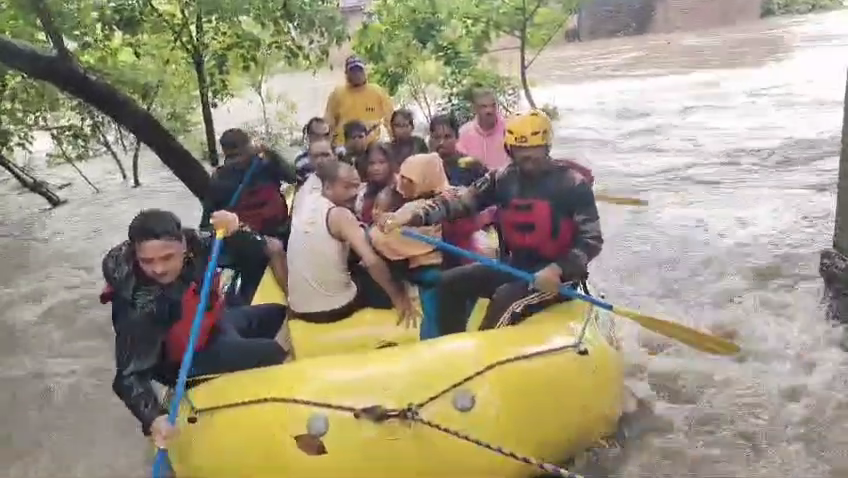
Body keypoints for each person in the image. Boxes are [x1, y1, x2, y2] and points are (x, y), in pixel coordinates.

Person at [377, 110, 603, 335]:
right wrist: (412, 216)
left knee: (505, 297)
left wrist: (559, 269)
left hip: (557, 277)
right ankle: (449, 346)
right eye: (520, 149)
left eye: (535, 148)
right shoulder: (503, 178)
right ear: (510, 149)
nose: (528, 155)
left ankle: (484, 349)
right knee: (447, 283)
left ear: (547, 147)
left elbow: (591, 240)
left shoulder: (572, 184)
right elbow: (460, 204)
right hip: (515, 266)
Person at [100, 209, 287, 448]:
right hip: (181, 361)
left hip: (210, 327)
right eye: (147, 261)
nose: (158, 269)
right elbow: (128, 376)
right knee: (270, 351)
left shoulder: (197, 244)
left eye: (167, 257)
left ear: (184, 246)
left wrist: (237, 230)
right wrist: (153, 418)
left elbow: (255, 253)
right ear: (136, 256)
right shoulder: (140, 307)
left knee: (276, 314)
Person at [286, 161, 417, 325]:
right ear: (327, 187)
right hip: (334, 310)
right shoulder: (340, 215)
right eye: (347, 187)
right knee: (385, 270)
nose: (354, 193)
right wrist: (398, 297)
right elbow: (371, 261)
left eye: (356, 186)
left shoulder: (304, 200)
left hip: (299, 308)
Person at [200, 128, 293, 303]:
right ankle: (292, 299)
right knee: (274, 248)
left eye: (241, 155)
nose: (237, 161)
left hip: (280, 226)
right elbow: (207, 223)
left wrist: (271, 153)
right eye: (232, 157)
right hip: (245, 235)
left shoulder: (265, 166)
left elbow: (293, 177)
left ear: (250, 148)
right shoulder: (220, 179)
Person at [370, 153, 447, 277]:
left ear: (425, 179)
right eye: (403, 176)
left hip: (423, 270)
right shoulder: (442, 200)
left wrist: (372, 232)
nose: (403, 182)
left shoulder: (421, 208)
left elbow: (384, 239)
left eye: (410, 179)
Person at [429, 114, 491, 267]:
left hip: (468, 238)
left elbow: (489, 200)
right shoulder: (424, 167)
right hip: (433, 239)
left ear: (457, 137)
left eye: (447, 136)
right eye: (436, 137)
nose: (441, 142)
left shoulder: (471, 165)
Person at [324, 55, 393, 148]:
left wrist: (394, 142)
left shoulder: (377, 92)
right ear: (346, 73)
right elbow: (329, 123)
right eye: (353, 71)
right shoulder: (337, 94)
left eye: (359, 70)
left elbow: (390, 121)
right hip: (343, 146)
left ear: (365, 72)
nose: (357, 74)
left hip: (371, 146)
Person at [457, 88, 509, 169]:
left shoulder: (509, 129)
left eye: (493, 105)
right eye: (484, 106)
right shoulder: (464, 133)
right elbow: (460, 164)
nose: (489, 110)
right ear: (475, 109)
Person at [291, 138, 338, 215]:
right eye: (316, 156)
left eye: (325, 155)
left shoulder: (350, 178)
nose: (320, 160)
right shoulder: (305, 190)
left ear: (335, 156)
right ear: (310, 159)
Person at [355, 142, 396, 225]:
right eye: (371, 163)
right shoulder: (362, 191)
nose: (376, 168)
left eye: (382, 162)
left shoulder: (400, 189)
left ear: (390, 163)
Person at [294, 117, 332, 183]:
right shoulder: (302, 159)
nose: (323, 139)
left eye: (326, 135)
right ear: (309, 136)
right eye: (318, 135)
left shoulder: (339, 154)